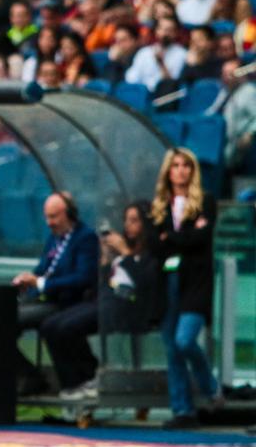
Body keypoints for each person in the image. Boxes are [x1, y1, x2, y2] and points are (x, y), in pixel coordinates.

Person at [40, 202, 158, 400]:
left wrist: (125, 253)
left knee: (68, 328)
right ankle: (71, 382)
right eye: (126, 220)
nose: (128, 225)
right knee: (50, 325)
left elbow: (144, 283)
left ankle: (88, 374)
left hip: (127, 306)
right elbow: (103, 282)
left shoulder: (150, 254)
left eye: (134, 221)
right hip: (105, 300)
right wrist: (105, 260)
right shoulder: (122, 250)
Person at [152, 148, 222, 428]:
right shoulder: (159, 205)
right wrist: (184, 237)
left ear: (193, 170)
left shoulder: (206, 201)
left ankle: (209, 386)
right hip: (167, 281)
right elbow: (157, 245)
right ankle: (182, 409)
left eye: (186, 165)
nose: (181, 171)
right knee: (172, 348)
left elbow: (200, 239)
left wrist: (171, 237)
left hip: (196, 282)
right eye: (175, 165)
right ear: (168, 171)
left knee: (184, 339)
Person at [12, 193, 100, 396]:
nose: (49, 222)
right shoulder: (54, 238)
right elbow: (43, 269)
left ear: (69, 214)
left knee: (16, 319)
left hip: (67, 302)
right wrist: (28, 281)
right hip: (44, 299)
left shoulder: (85, 238)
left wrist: (42, 283)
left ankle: (42, 379)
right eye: (47, 217)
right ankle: (27, 374)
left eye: (54, 216)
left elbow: (83, 278)